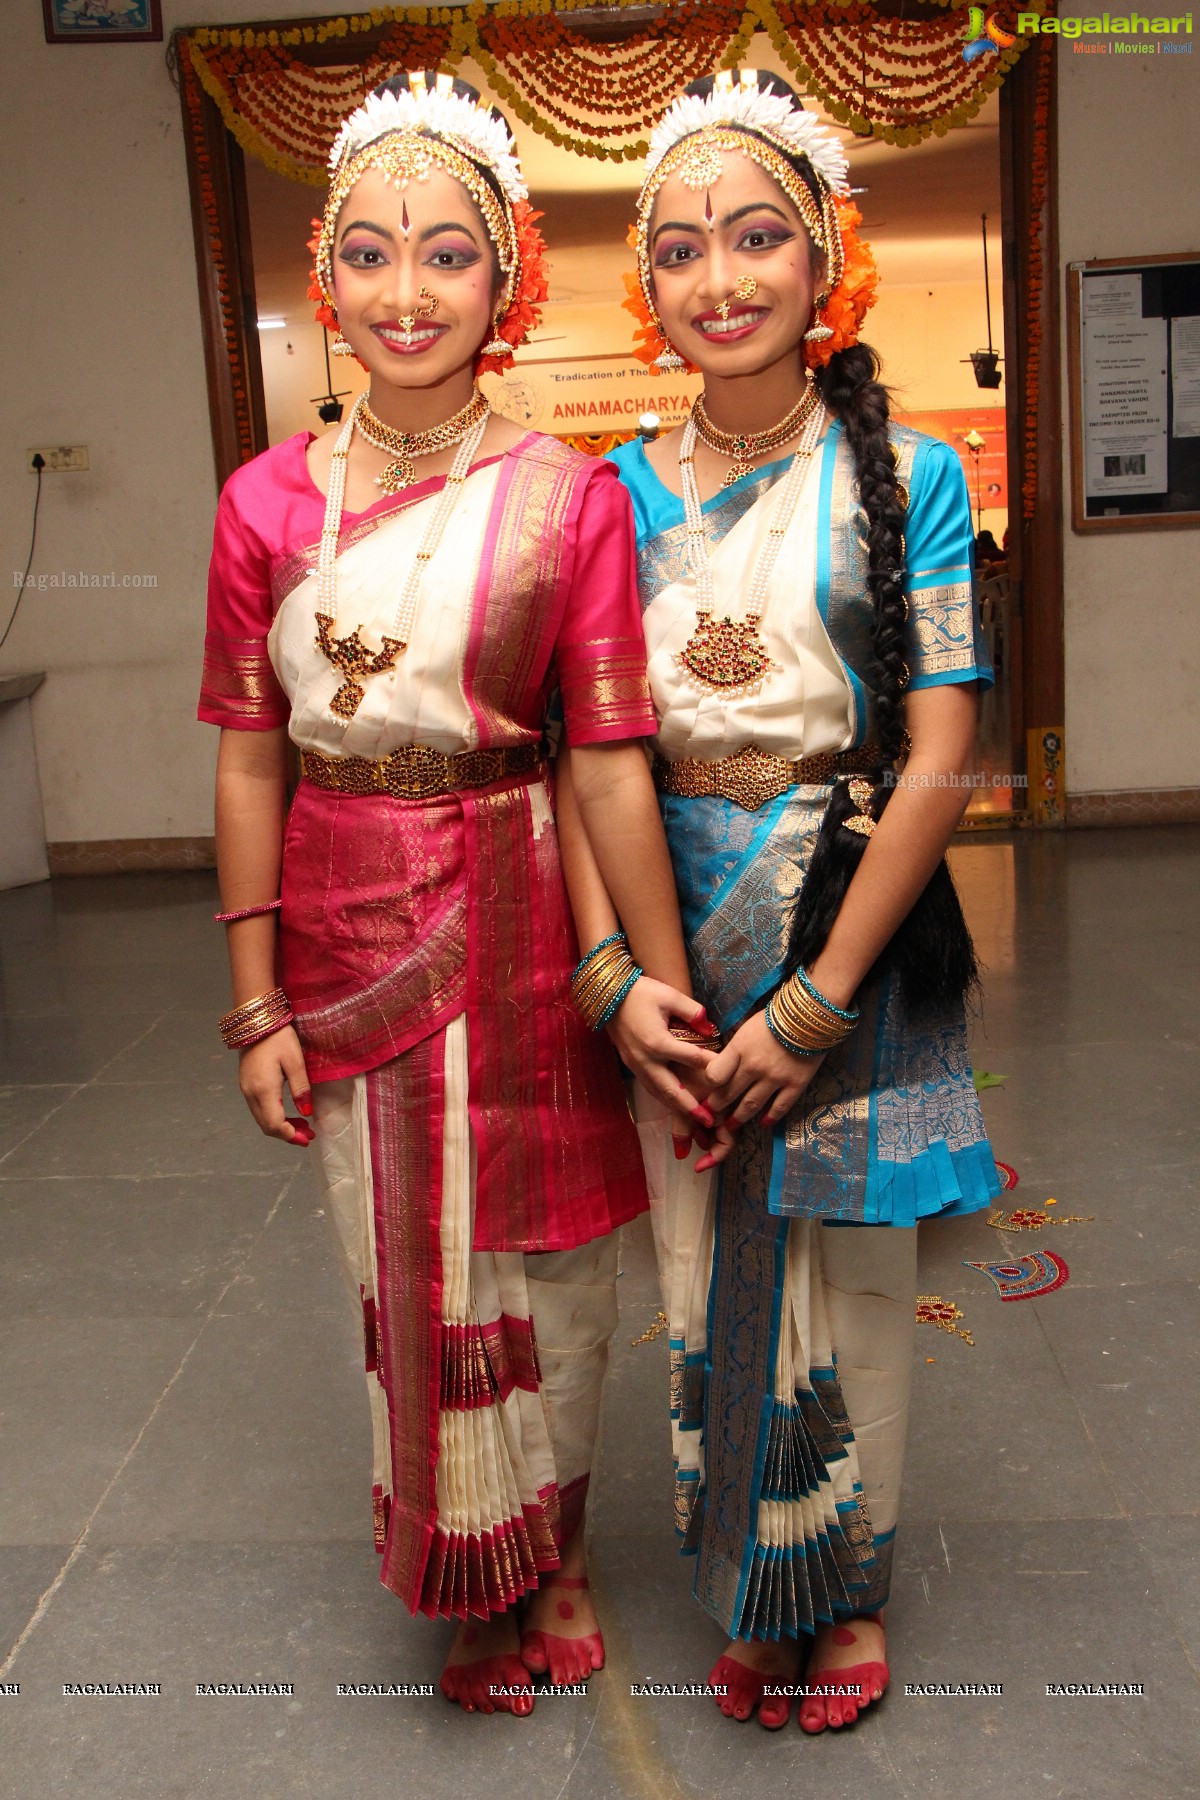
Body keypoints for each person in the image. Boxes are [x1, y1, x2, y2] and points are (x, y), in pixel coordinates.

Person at [198, 71, 712, 1718]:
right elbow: (249, 761)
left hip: (524, 913)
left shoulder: (572, 498)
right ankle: (465, 1564)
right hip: (349, 934)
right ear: (322, 283)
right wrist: (255, 1000)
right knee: (407, 1271)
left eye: (445, 255)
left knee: (554, 1273)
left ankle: (549, 1550)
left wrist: (664, 987)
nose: (404, 293)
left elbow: (613, 760)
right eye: (368, 253)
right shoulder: (263, 504)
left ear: (508, 282)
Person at [558, 68, 1000, 1735]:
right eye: (680, 249)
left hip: (852, 917)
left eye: (758, 238)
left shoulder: (916, 472)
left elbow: (945, 741)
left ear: (828, 261)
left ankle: (851, 1590)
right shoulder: (606, 491)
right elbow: (576, 750)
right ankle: (757, 1583)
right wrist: (623, 980)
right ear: (646, 286)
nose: (720, 277)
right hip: (677, 918)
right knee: (701, 1260)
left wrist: (821, 995)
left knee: (860, 1280)